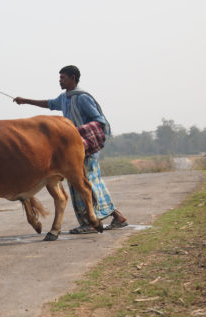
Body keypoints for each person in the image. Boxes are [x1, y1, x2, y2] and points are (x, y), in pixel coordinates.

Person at [13, 65, 127, 233]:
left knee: (86, 184)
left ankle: (91, 223)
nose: (60, 80)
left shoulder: (82, 98)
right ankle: (115, 217)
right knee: (81, 185)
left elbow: (98, 120)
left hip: (84, 147)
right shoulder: (65, 97)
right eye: (59, 78)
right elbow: (49, 104)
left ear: (73, 78)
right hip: (71, 150)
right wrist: (25, 101)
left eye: (63, 78)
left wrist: (76, 133)